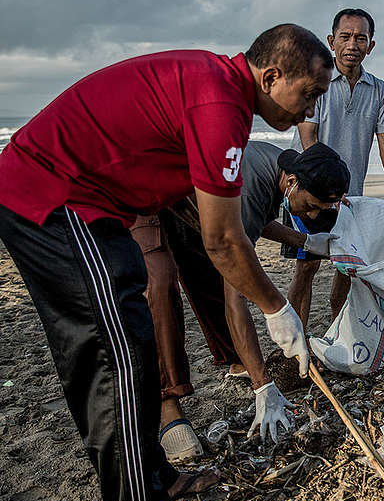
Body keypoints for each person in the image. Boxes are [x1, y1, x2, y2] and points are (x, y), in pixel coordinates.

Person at [0, 24, 333, 501]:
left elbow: (194, 210)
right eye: (310, 94)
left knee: (137, 343)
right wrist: (278, 307)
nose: (309, 112)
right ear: (272, 77)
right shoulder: (219, 102)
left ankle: (154, 477)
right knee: (118, 366)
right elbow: (224, 239)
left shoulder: (220, 91)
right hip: (55, 199)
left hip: (100, 207)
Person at [140, 142, 349, 463]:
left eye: (320, 210)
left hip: (192, 205)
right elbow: (235, 297)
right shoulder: (252, 185)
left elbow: (252, 221)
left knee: (203, 276)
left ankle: (235, 358)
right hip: (148, 192)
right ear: (293, 182)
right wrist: (262, 385)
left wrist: (305, 240)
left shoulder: (280, 169)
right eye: (311, 206)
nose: (312, 214)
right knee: (162, 285)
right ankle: (169, 405)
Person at [287, 8, 384, 331]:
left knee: (346, 265)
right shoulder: (314, 83)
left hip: (351, 196)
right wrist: (321, 191)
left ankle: (338, 329)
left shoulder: (379, 89)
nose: (352, 44)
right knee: (308, 267)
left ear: (370, 46)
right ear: (331, 41)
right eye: (345, 37)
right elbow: (308, 139)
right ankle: (296, 340)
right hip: (308, 193)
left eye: (360, 38)